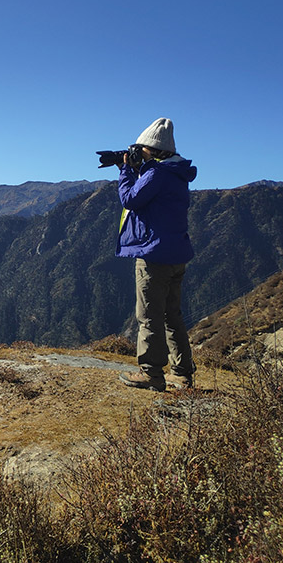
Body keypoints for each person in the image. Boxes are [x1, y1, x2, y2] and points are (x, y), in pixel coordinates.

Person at [113, 117, 198, 391]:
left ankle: (151, 372)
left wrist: (126, 170)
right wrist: (139, 169)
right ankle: (182, 373)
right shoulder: (176, 174)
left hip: (154, 255)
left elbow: (131, 199)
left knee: (149, 315)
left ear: (154, 150)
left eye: (142, 150)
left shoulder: (157, 174)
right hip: (177, 255)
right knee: (172, 315)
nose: (138, 154)